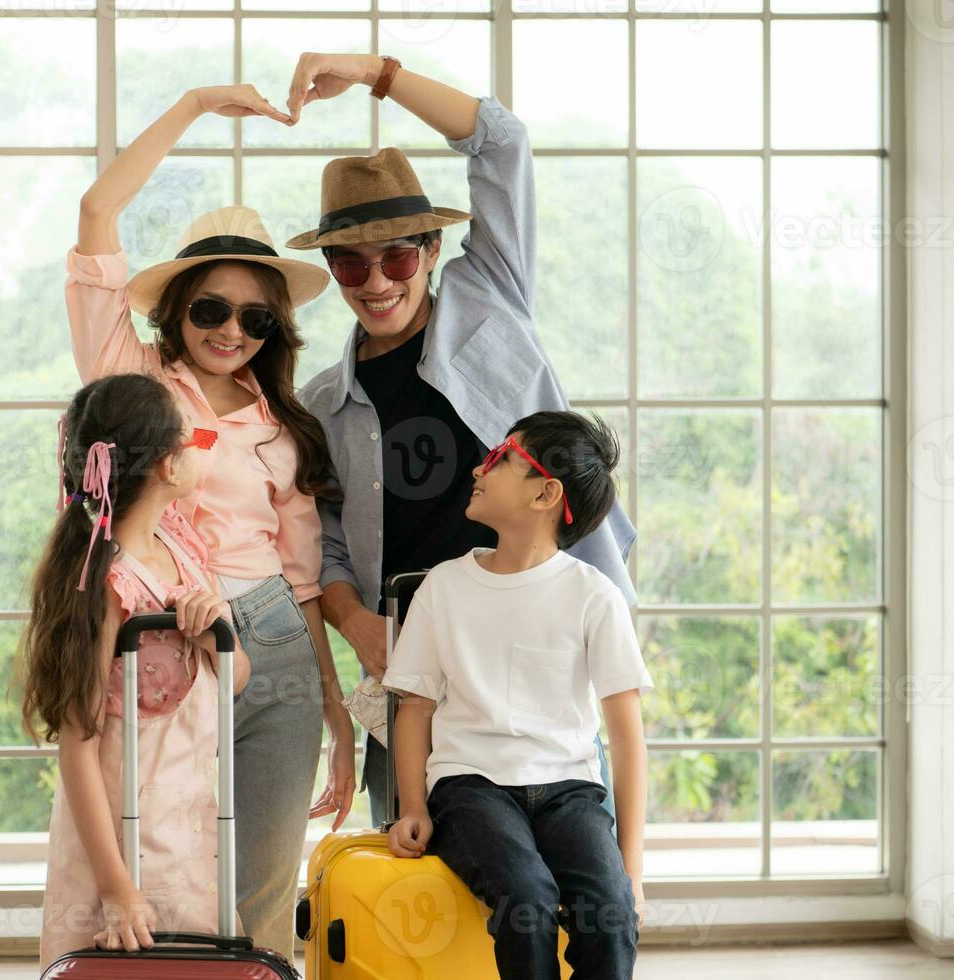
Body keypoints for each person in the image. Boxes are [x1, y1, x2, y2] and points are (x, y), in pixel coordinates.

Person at [284, 52, 638, 826]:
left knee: (565, 872)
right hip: (417, 671)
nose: (375, 282)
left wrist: (376, 72)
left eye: (397, 256)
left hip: (544, 647)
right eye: (349, 263)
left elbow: (502, 141)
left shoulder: (492, 303)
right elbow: (326, 544)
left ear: (434, 251)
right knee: (414, 878)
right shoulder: (321, 406)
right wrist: (356, 624)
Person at [66, 83, 357, 957]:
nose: (232, 330)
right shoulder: (131, 374)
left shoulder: (286, 421)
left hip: (272, 643)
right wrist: (191, 106)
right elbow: (96, 210)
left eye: (256, 317)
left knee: (263, 892)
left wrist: (336, 706)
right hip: (164, 640)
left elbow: (303, 579)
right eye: (211, 309)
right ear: (175, 307)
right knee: (166, 882)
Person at [383, 410, 652, 980]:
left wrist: (632, 873)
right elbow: (416, 709)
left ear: (546, 494)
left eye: (503, 458)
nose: (481, 466)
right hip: (469, 787)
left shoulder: (593, 596)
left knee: (609, 916)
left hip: (570, 790)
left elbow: (627, 740)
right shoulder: (445, 586)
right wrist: (412, 806)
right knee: (524, 903)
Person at [24, 373, 254, 971]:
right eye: (194, 439)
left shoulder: (180, 548)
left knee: (195, 961)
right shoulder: (107, 583)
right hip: (122, 834)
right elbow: (77, 744)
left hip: (190, 826)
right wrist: (116, 888)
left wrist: (213, 635)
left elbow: (232, 682)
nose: (201, 449)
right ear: (166, 467)